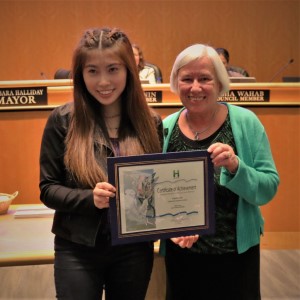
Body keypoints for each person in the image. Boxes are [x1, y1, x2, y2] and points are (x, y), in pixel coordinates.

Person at [39, 27, 163, 300]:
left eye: (113, 69)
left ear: (129, 70)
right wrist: (89, 199)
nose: (103, 81)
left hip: (134, 248)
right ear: (81, 74)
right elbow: (48, 189)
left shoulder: (150, 123)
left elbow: (158, 188)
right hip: (77, 246)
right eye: (92, 71)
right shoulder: (62, 120)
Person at [160, 44, 279, 300]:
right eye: (187, 79)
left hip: (235, 258)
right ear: (175, 83)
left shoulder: (245, 123)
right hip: (183, 258)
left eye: (204, 78)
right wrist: (171, 230)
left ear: (220, 82)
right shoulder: (164, 129)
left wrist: (236, 167)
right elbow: (154, 198)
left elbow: (268, 187)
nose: (195, 87)